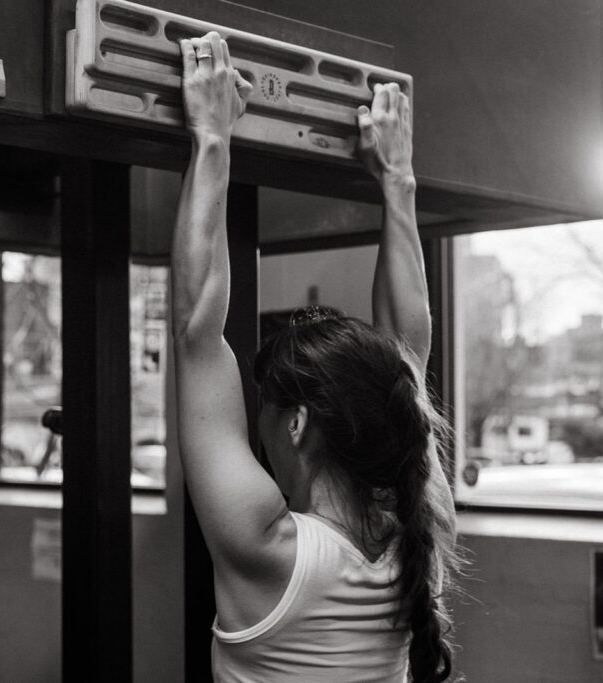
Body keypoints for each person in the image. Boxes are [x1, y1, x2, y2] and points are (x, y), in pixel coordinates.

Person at [171, 31, 460, 683]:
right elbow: (408, 351)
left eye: (265, 409)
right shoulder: (416, 530)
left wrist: (214, 137)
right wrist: (397, 179)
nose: (259, 425)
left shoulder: (269, 546)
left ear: (296, 422)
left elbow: (197, 330)